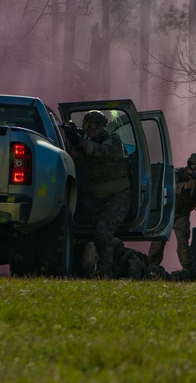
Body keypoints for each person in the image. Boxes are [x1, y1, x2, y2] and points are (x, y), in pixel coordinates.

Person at [63, 110, 130, 278]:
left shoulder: (113, 141)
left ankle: (105, 275)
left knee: (103, 233)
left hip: (119, 194)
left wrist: (80, 141)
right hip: (100, 197)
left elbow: (101, 151)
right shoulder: (88, 145)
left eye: (94, 126)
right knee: (98, 236)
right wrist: (75, 142)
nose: (91, 130)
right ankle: (105, 272)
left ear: (102, 127)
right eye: (87, 127)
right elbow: (72, 159)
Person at [148, 152, 196, 279]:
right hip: (167, 212)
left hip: (182, 215)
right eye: (194, 167)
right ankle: (151, 268)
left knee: (183, 243)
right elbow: (167, 188)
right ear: (189, 165)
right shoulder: (177, 174)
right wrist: (185, 186)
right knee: (158, 242)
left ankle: (188, 270)